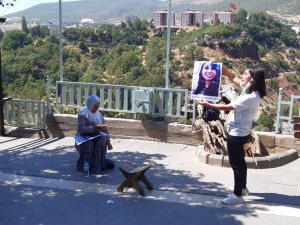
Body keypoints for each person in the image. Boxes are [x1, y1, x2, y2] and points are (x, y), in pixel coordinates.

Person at [197, 65, 266, 205]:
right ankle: (243, 188)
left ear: (252, 79)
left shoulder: (251, 96)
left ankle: (237, 195)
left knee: (236, 164)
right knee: (240, 162)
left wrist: (207, 104)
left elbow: (226, 107)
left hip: (237, 133)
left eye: (245, 73)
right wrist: (218, 66)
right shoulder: (249, 89)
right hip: (242, 131)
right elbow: (232, 76)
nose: (242, 75)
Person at [76, 95, 114, 174]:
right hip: (84, 137)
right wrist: (94, 127)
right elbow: (81, 129)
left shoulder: (99, 115)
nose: (96, 109)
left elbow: (105, 129)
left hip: (95, 136)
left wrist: (109, 142)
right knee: (88, 144)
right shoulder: (83, 113)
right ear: (90, 105)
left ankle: (98, 167)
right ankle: (84, 166)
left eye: (97, 107)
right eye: (95, 106)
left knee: (101, 140)